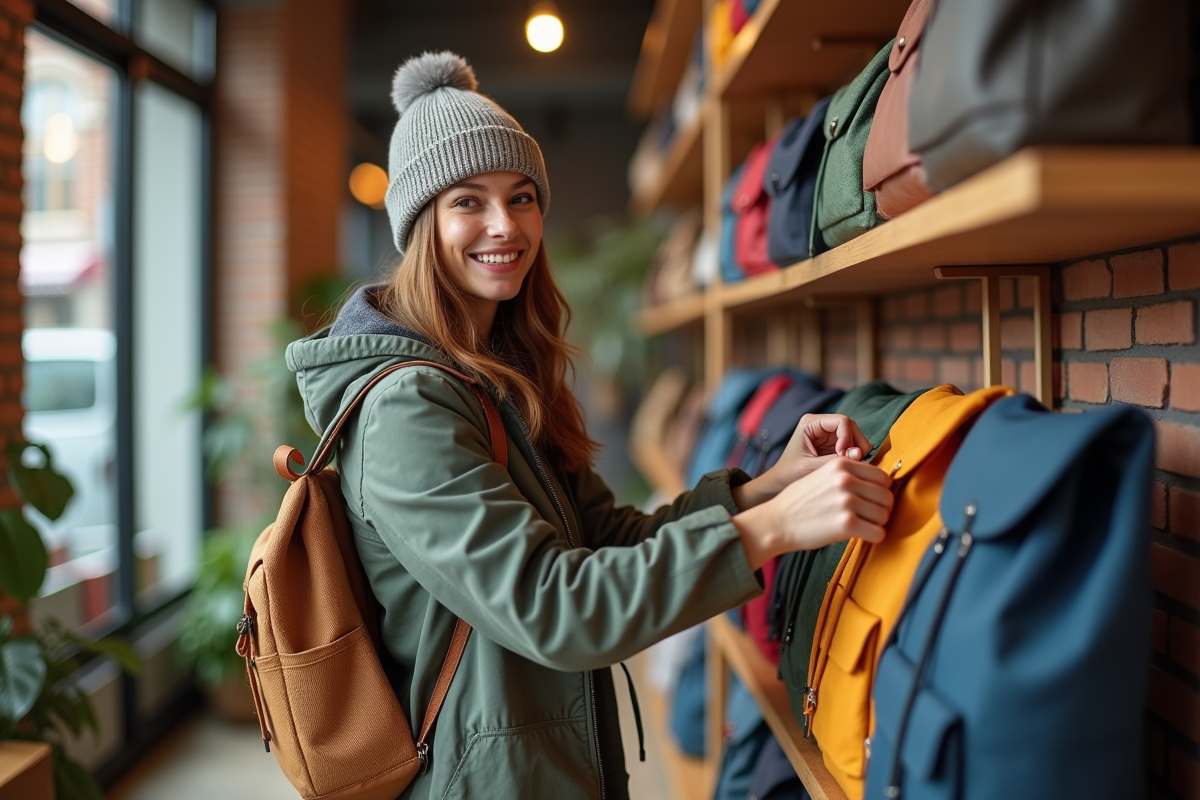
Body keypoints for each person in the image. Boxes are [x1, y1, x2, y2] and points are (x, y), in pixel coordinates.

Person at [286, 51, 893, 800]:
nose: (504, 225)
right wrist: (773, 530)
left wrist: (766, 490)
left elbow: (607, 539)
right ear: (421, 224)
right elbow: (555, 607)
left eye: (521, 197)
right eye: (468, 202)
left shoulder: (498, 375)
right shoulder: (407, 408)